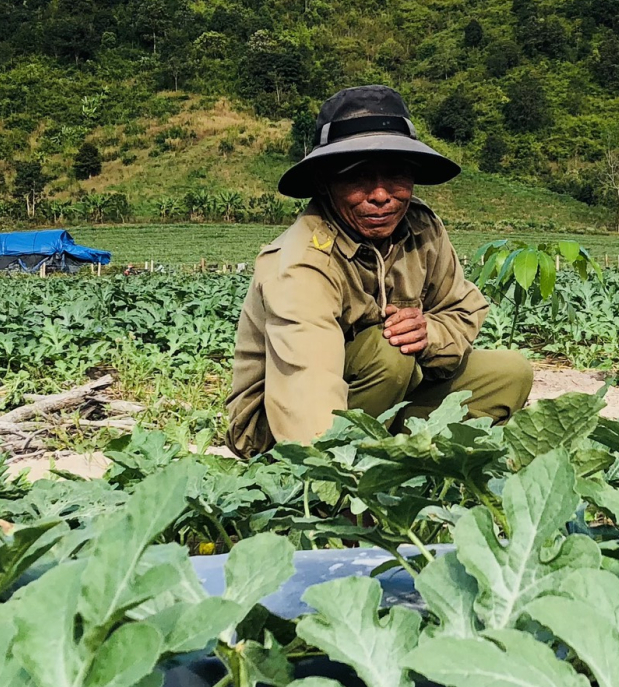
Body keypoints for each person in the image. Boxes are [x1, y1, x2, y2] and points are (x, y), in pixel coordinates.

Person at [225, 85, 533, 455]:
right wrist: (319, 470)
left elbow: (461, 308)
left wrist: (429, 333)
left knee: (509, 374)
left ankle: (394, 458)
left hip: (388, 397)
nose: (382, 195)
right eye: (358, 177)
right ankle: (348, 473)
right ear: (325, 182)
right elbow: (307, 385)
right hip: (280, 425)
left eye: (396, 175)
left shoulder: (421, 228)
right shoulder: (301, 260)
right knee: (389, 353)